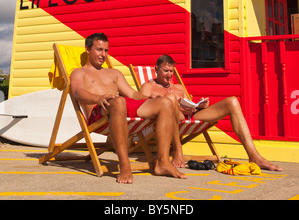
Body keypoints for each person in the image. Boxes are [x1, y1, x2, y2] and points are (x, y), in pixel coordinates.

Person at [70, 33, 187, 184]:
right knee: (118, 101)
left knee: (165, 103)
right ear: (87, 49)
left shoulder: (114, 73)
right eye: (99, 49)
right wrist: (98, 98)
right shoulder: (79, 72)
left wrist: (149, 100)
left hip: (120, 107)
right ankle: (125, 165)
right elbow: (78, 92)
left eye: (106, 50)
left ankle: (163, 163)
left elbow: (132, 94)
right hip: (100, 112)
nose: (103, 54)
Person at [139, 54, 282, 172]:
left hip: (190, 116)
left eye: (171, 71)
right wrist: (156, 99)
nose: (169, 75)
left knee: (232, 101)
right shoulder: (148, 87)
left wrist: (199, 106)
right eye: (166, 71)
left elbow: (189, 106)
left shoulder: (179, 87)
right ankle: (178, 150)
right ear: (156, 69)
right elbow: (140, 107)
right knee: (169, 99)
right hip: (172, 119)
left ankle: (254, 155)